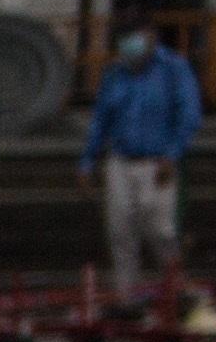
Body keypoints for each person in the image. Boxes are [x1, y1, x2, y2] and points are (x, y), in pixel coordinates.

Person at [83, 16, 200, 289]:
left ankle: (175, 289)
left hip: (157, 161)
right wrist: (87, 161)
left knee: (160, 229)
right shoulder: (115, 72)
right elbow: (102, 118)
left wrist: (172, 155)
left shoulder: (173, 69)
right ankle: (126, 294)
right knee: (120, 230)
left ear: (151, 38)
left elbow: (189, 114)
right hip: (120, 160)